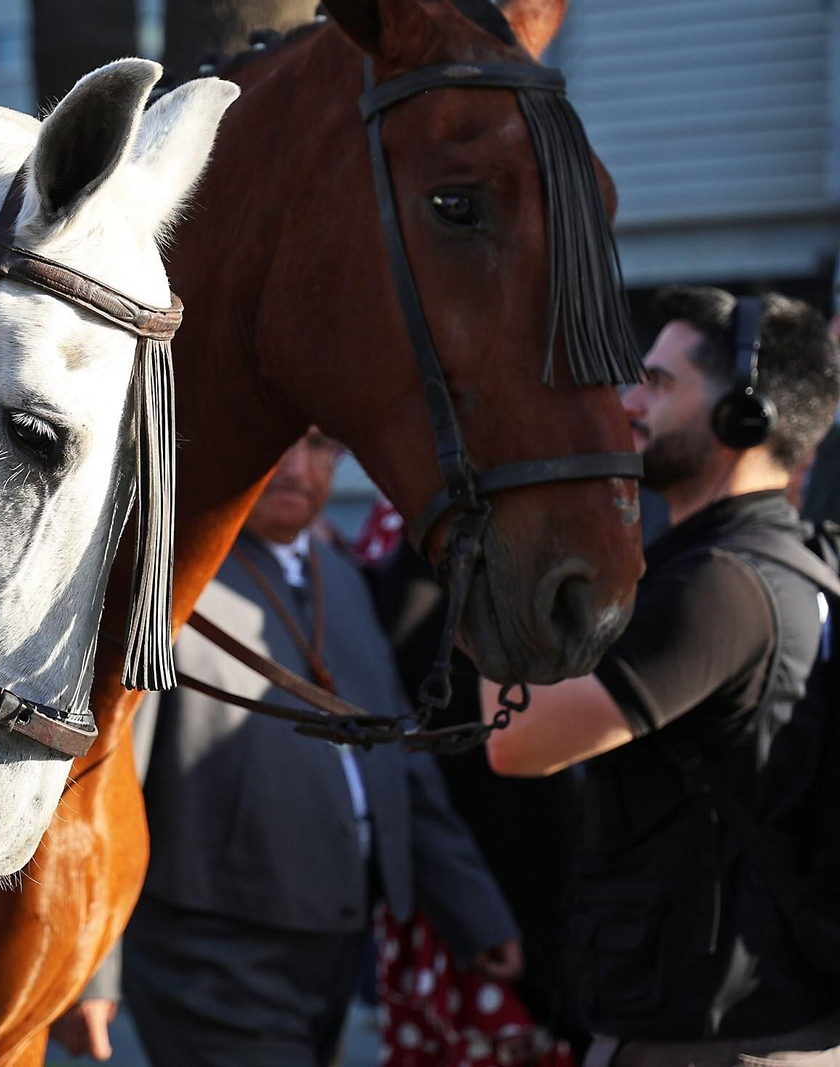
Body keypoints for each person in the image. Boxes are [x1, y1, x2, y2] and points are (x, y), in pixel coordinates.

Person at [54, 431, 521, 1067]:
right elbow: (103, 779)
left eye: (319, 447)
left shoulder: (343, 576)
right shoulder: (170, 569)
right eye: (276, 443)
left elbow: (396, 759)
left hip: (335, 942)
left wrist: (474, 910)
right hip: (209, 951)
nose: (295, 469)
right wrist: (90, 971)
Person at [483, 287, 840, 1066]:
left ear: (746, 418)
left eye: (661, 382)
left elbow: (516, 736)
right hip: (757, 1027)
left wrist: (502, 534)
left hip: (711, 1044)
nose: (630, 401)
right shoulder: (797, 567)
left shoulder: (719, 587)